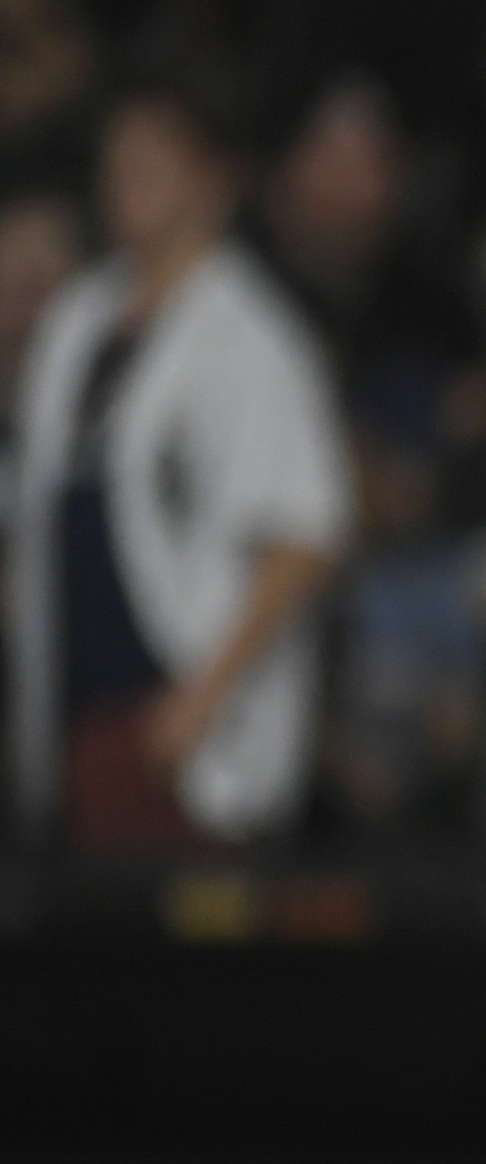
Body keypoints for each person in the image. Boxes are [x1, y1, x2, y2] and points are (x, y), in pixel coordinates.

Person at [5, 78, 350, 852]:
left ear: (214, 182)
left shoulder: (255, 338)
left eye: (151, 164)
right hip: (77, 696)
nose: (124, 185)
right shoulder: (77, 318)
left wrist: (202, 699)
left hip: (176, 710)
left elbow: (304, 537)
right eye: (116, 164)